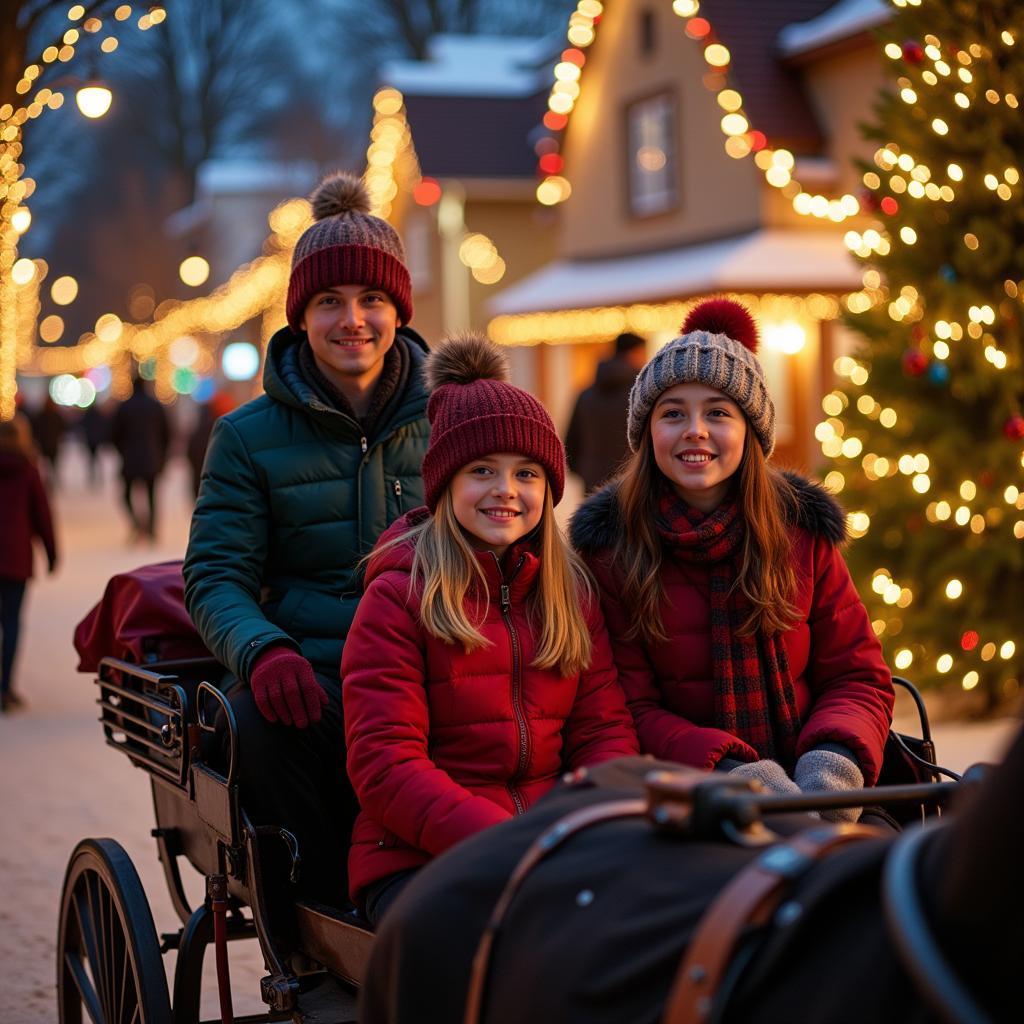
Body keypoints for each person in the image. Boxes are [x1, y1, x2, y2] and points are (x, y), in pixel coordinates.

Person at [182, 171, 431, 909]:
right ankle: (322, 913)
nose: (353, 320)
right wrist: (263, 649)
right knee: (256, 723)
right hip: (313, 678)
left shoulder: (451, 418)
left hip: (431, 666)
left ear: (398, 311)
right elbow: (216, 576)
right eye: (330, 302)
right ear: (301, 315)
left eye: (372, 300)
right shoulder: (246, 437)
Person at [341, 334, 639, 927]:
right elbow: (387, 764)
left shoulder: (570, 593)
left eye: (526, 473)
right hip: (419, 853)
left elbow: (605, 732)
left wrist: (578, 826)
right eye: (482, 471)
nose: (505, 490)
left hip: (554, 843)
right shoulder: (400, 594)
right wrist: (509, 845)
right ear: (446, 484)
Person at [570, 298, 894, 821]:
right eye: (673, 413)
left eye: (717, 413)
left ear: (750, 430)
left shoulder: (800, 534)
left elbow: (856, 675)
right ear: (647, 433)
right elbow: (631, 709)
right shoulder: (613, 551)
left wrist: (832, 770)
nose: (694, 430)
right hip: (692, 796)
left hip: (824, 786)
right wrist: (734, 775)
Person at [0, 416, 58, 711]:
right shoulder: (28, 469)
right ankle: (5, 688)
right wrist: (52, 552)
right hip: (14, 558)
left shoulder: (29, 469)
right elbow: (42, 514)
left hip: (13, 558)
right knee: (10, 623)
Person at [564, 331, 647, 493]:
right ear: (634, 353)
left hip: (593, 482)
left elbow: (570, 442)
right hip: (632, 480)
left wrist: (584, 471)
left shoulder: (585, 394)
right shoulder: (641, 394)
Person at [111, 376, 172, 541]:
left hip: (130, 459)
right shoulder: (155, 406)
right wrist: (162, 455)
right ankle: (150, 528)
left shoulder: (124, 407)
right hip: (151, 458)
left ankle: (138, 524)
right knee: (152, 495)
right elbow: (166, 433)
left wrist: (122, 451)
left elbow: (115, 434)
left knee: (126, 495)